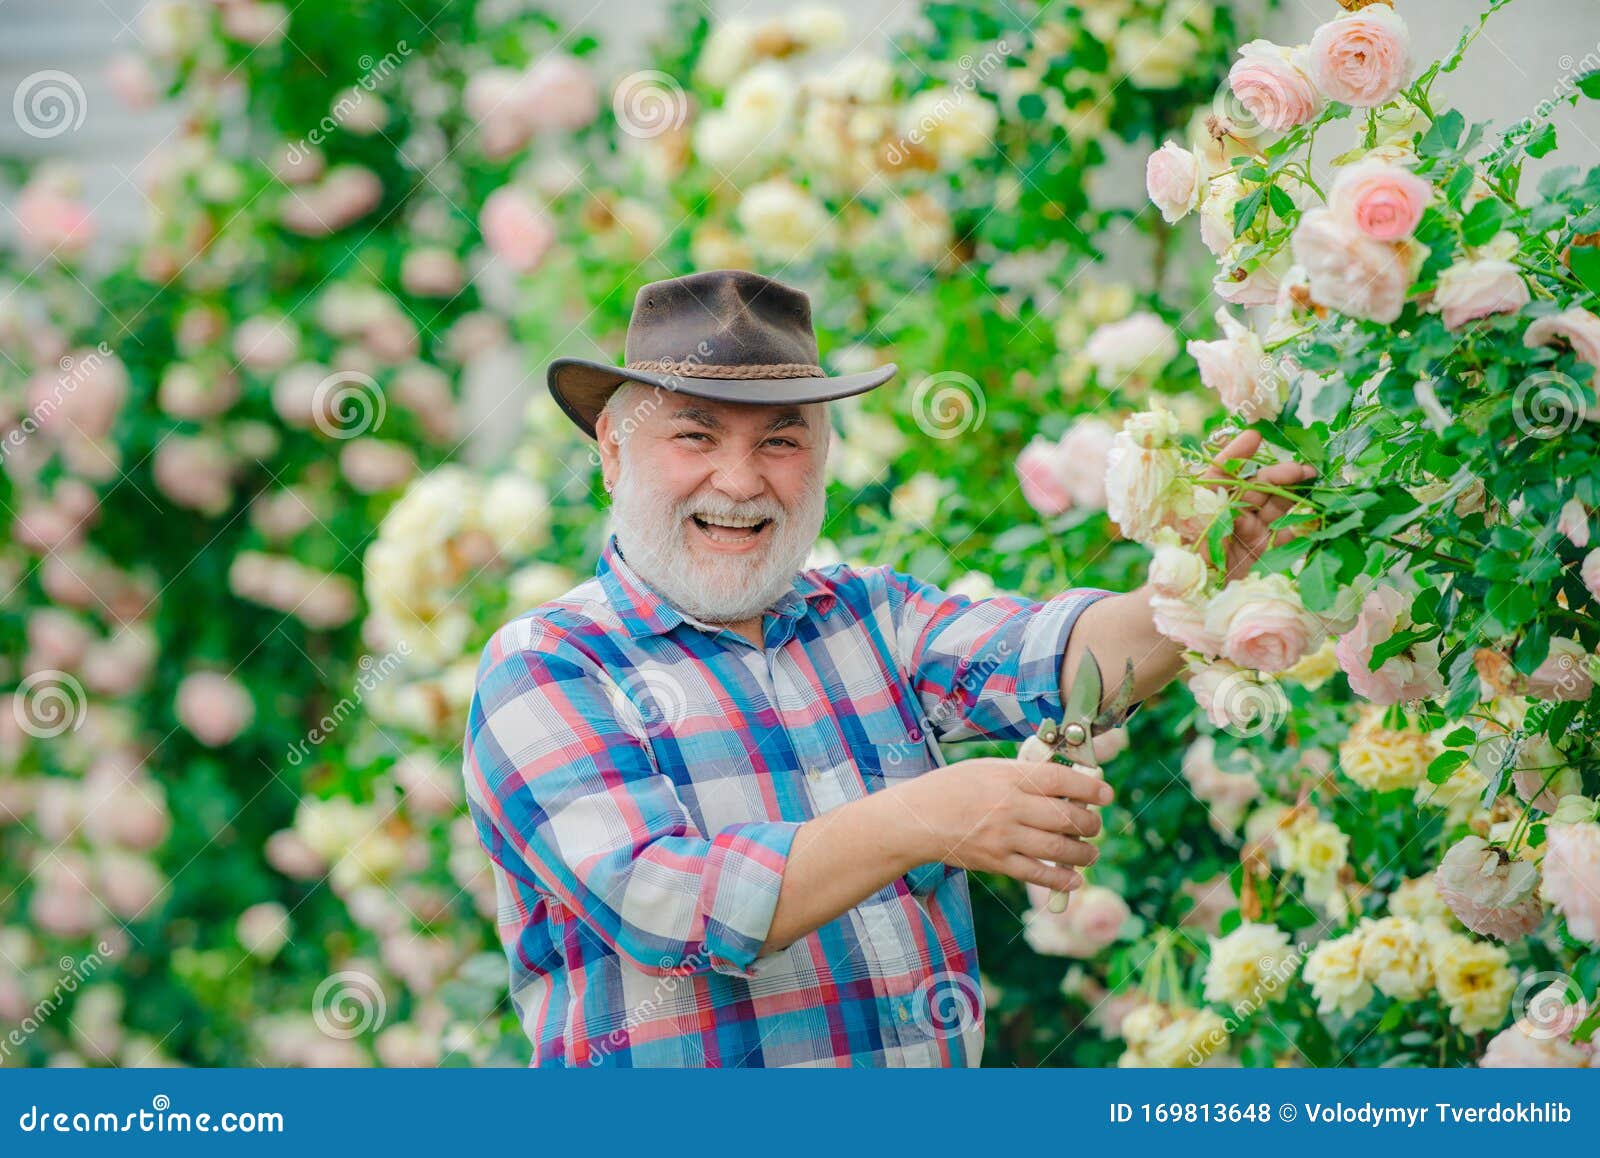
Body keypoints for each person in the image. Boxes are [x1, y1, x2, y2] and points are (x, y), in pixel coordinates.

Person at [461, 269, 1314, 1067]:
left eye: (782, 441)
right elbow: (667, 904)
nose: (741, 479)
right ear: (613, 448)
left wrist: (1200, 572)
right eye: (695, 435)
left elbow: (1050, 658)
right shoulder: (548, 665)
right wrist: (928, 817)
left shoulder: (867, 613)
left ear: (822, 455)